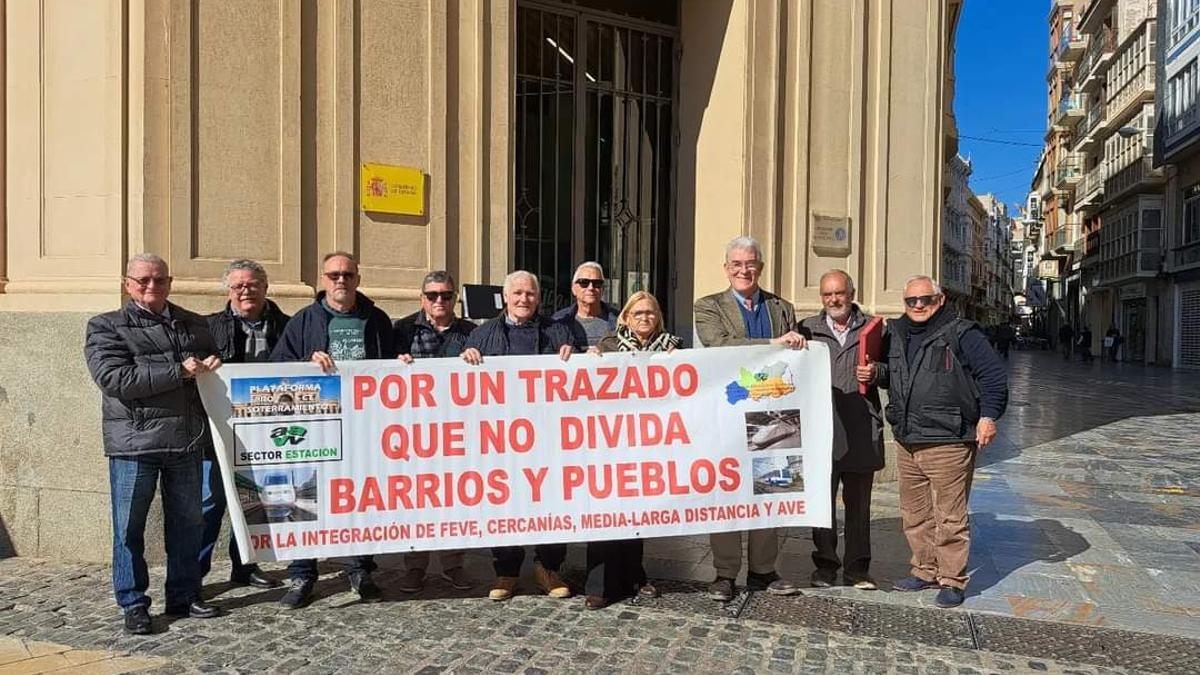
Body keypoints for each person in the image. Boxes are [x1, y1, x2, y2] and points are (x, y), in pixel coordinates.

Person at [84, 254, 223, 634]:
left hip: (187, 440)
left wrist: (214, 365)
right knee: (129, 528)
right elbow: (114, 379)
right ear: (127, 283)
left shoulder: (193, 324)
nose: (152, 287)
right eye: (143, 280)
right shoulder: (105, 326)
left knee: (188, 524)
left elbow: (214, 367)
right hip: (134, 443)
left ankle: (184, 594)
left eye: (159, 280)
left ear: (170, 282)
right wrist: (179, 371)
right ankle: (133, 603)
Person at [872, 275, 1008, 608]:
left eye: (925, 299)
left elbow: (993, 377)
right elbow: (895, 374)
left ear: (940, 299)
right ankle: (924, 570)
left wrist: (988, 416)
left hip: (948, 438)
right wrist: (875, 373)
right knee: (915, 513)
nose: (918, 306)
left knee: (950, 515)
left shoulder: (963, 334)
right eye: (911, 301)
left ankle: (952, 579)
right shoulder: (895, 334)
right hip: (908, 437)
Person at [270, 252, 397, 608]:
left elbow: (394, 362)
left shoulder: (377, 319)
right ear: (323, 280)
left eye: (347, 274)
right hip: (317, 427)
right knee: (307, 498)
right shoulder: (304, 320)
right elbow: (277, 366)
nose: (341, 280)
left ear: (358, 278)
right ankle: (302, 573)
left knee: (357, 496)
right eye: (334, 274)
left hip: (363, 426)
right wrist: (305, 363)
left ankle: (359, 569)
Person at [693, 235, 806, 601]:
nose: (745, 270)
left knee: (770, 489)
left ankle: (762, 571)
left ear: (760, 266)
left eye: (751, 263)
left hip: (774, 412)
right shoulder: (707, 306)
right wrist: (775, 344)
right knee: (726, 492)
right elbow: (720, 344)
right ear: (727, 268)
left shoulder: (782, 307)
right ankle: (725, 572)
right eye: (737, 264)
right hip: (727, 412)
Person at [461, 270, 575, 601]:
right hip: (500, 439)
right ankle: (506, 571)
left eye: (530, 294)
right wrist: (465, 361)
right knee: (504, 502)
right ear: (506, 298)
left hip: (549, 438)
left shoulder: (557, 332)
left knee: (551, 501)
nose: (524, 299)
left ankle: (548, 567)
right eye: (517, 294)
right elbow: (462, 388)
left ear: (538, 299)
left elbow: (581, 381)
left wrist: (577, 358)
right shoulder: (481, 335)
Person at [582, 291, 681, 609]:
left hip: (650, 443)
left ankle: (635, 576)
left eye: (650, 313)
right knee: (605, 515)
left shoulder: (673, 348)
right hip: (611, 443)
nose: (644, 318)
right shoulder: (608, 347)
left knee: (637, 516)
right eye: (637, 313)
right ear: (625, 316)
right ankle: (599, 584)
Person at [200, 259, 289, 591]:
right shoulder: (207, 327)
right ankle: (194, 577)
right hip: (222, 430)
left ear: (265, 287)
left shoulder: (289, 326)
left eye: (252, 284)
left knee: (253, 501)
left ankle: (245, 566)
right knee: (210, 503)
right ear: (229, 290)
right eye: (238, 286)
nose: (246, 291)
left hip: (267, 432)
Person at [798, 270, 884, 592]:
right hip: (823, 428)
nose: (834, 300)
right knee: (821, 503)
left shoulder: (874, 327)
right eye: (827, 295)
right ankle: (824, 566)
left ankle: (858, 569)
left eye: (839, 293)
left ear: (852, 293)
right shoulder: (806, 329)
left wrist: (877, 371)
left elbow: (892, 371)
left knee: (859, 505)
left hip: (861, 426)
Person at [393, 270, 478, 593]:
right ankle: (414, 565)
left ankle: (453, 564)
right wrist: (393, 365)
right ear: (422, 299)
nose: (439, 300)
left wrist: (477, 359)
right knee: (414, 499)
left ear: (455, 298)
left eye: (446, 295)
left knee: (453, 498)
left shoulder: (472, 333)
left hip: (457, 431)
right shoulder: (401, 330)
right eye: (432, 295)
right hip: (413, 432)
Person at [551, 261, 619, 350]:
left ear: (602, 290)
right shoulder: (558, 321)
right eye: (584, 283)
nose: (591, 288)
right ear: (573, 289)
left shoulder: (619, 320)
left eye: (597, 283)